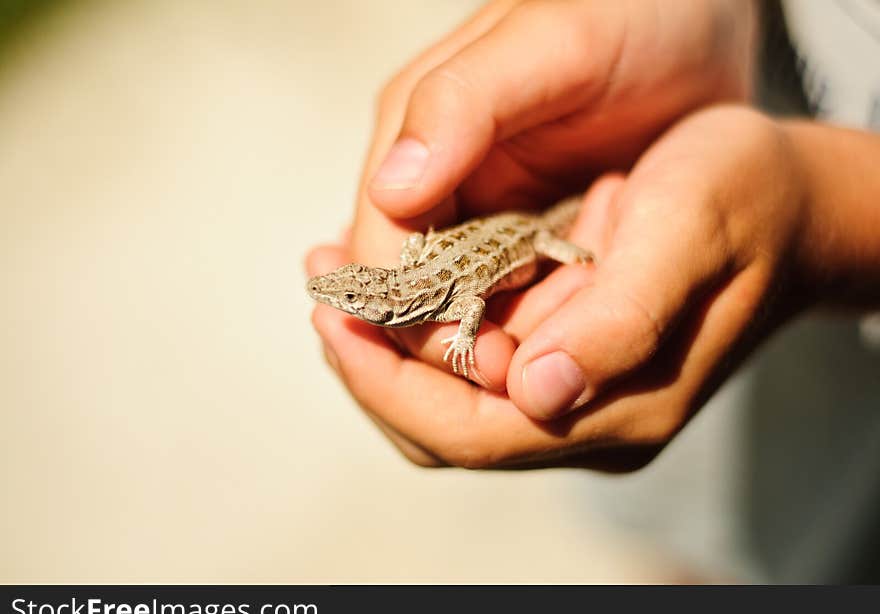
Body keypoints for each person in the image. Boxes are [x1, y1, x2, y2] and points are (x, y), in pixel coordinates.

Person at [306, 0, 880, 578]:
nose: (344, 301)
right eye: (352, 295)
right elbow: (421, 258)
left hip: (539, 237)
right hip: (747, 90)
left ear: (384, 305)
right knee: (682, 549)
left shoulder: (444, 299)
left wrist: (820, 207)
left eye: (354, 300)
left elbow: (474, 300)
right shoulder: (414, 285)